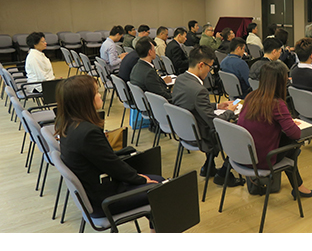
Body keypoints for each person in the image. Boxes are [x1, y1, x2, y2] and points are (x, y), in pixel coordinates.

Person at [55, 75, 163, 226]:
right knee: (162, 188)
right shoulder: (88, 132)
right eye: (97, 92)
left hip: (94, 191)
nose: (100, 95)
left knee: (149, 173)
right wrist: (142, 180)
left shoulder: (67, 124)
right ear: (85, 100)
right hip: (106, 201)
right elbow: (114, 166)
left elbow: (107, 161)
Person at [238, 61, 312, 199]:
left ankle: (298, 187)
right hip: (262, 160)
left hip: (243, 154)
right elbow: (295, 134)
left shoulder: (252, 96)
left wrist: (285, 122)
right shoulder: (277, 104)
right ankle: (298, 187)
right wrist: (289, 124)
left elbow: (262, 123)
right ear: (281, 82)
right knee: (294, 146)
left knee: (289, 145)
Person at [172, 45, 244, 187]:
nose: (210, 71)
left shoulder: (180, 79)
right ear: (201, 65)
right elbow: (212, 122)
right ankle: (223, 174)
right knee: (238, 135)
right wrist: (230, 111)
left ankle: (208, 167)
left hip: (185, 131)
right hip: (202, 135)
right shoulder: (199, 90)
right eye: (210, 67)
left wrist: (217, 106)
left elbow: (192, 106)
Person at [130, 37, 172, 102]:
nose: (155, 51)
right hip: (157, 104)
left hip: (143, 102)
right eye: (154, 49)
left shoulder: (136, 67)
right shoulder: (149, 73)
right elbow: (161, 95)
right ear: (150, 52)